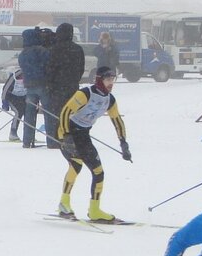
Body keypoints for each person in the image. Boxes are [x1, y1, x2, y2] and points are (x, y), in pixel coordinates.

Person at [55, 66, 131, 222]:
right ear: (99, 79)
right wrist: (66, 137)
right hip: (69, 131)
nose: (111, 83)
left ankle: (93, 209)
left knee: (97, 172)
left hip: (83, 134)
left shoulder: (110, 100)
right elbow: (65, 112)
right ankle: (66, 204)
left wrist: (124, 143)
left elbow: (117, 120)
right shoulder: (85, 94)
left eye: (113, 79)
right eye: (108, 79)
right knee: (77, 166)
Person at [45, 23, 85, 150]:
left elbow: (50, 69)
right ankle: (72, 139)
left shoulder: (54, 49)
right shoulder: (78, 49)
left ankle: (55, 140)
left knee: (56, 114)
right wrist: (74, 79)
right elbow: (81, 68)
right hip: (73, 86)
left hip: (57, 87)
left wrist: (50, 83)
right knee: (71, 114)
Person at [18, 28, 50, 148]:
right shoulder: (41, 51)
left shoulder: (23, 53)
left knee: (29, 113)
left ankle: (27, 140)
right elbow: (48, 64)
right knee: (47, 113)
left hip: (29, 85)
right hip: (43, 84)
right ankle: (51, 140)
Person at [1, 69, 28, 141]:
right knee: (18, 112)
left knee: (29, 113)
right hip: (12, 97)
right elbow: (6, 88)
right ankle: (13, 133)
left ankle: (28, 135)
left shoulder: (32, 74)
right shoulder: (17, 74)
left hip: (24, 98)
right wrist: (4, 101)